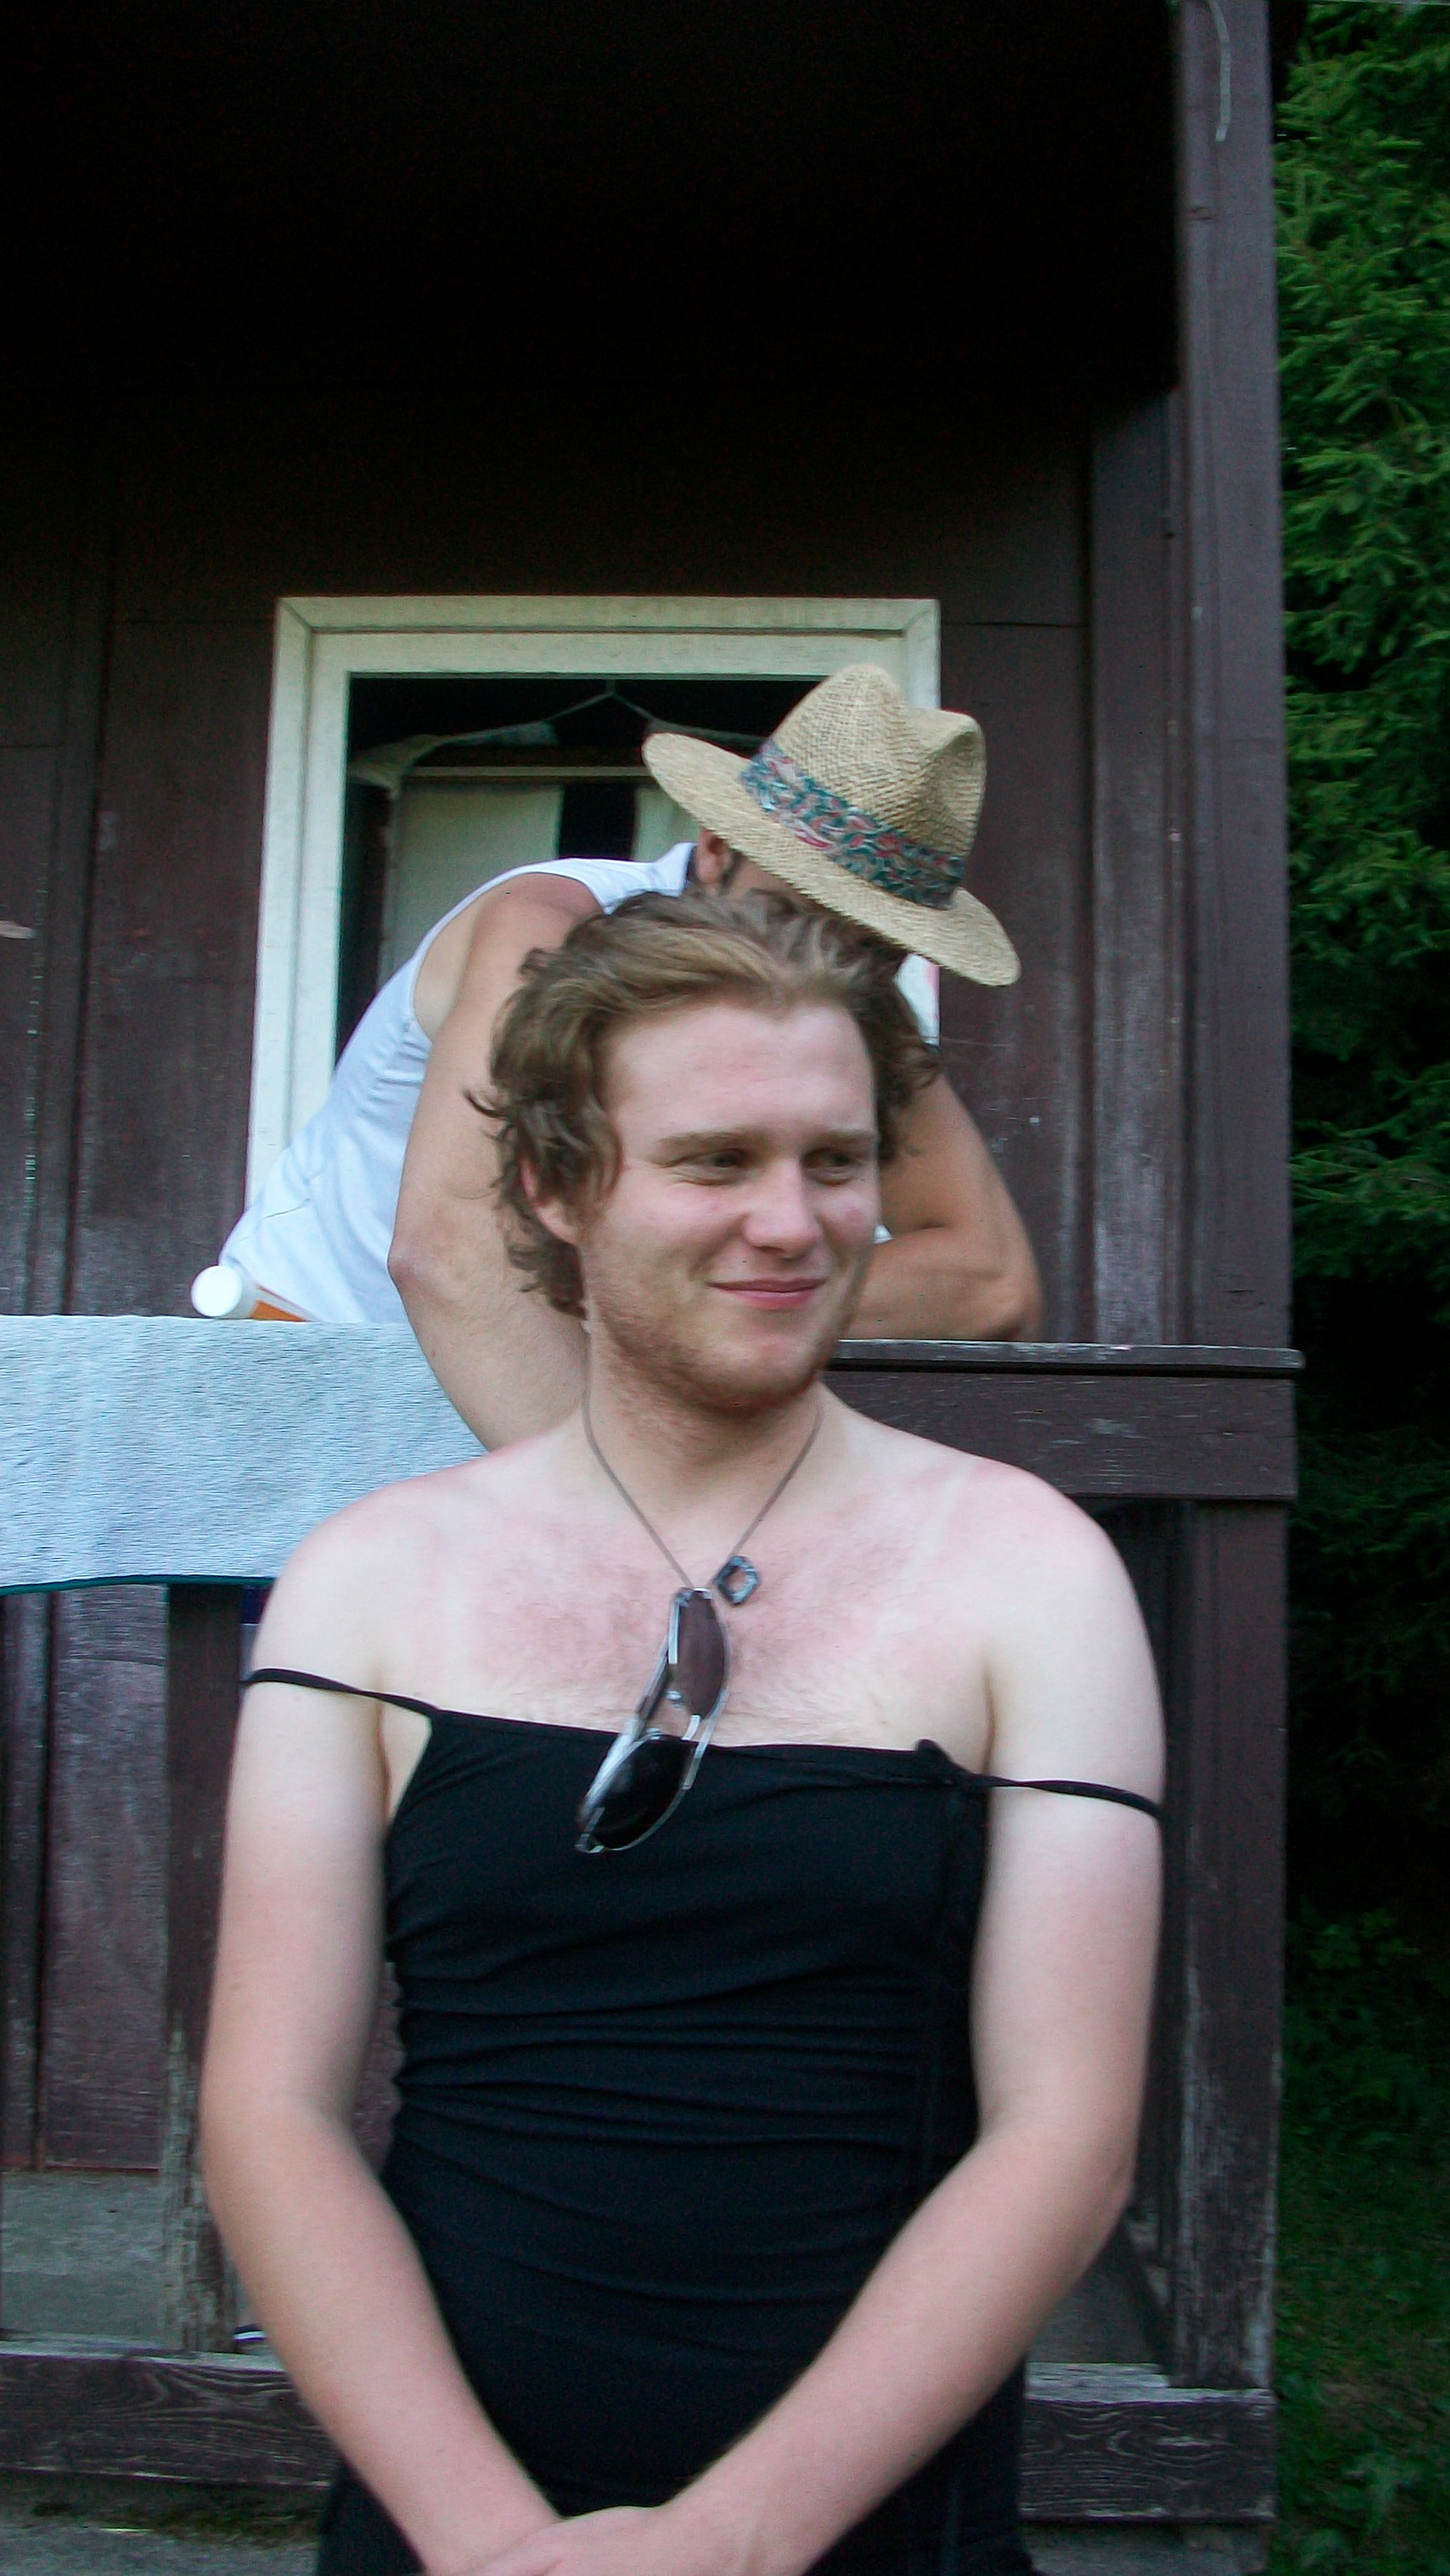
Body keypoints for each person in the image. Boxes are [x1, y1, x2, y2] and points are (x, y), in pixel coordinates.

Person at [201, 889, 1162, 2576]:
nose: (789, 1221)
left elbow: (1063, 2137)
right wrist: (488, 2539)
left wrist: (732, 2538)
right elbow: (269, 2113)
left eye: (834, 1161)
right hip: (449, 2520)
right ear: (555, 1185)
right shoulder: (369, 1584)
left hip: (873, 2529)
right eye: (715, 1160)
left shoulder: (1026, 1570)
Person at [219, 665, 1041, 1445]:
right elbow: (451, 1254)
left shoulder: (846, 994)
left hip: (582, 1412)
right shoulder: (545, 926)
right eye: (795, 915)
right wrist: (632, 1507)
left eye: (876, 950)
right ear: (714, 849)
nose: (826, 968)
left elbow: (990, 1283)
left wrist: (713, 1296)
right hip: (324, 1375)